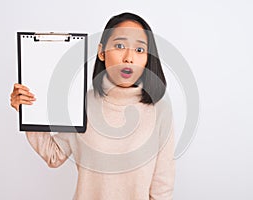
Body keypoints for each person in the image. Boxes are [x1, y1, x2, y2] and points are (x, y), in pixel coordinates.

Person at [10, 12, 175, 200]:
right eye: (120, 45)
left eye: (139, 50)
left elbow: (162, 187)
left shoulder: (160, 109)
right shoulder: (82, 103)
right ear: (101, 52)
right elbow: (53, 156)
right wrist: (27, 108)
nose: (129, 58)